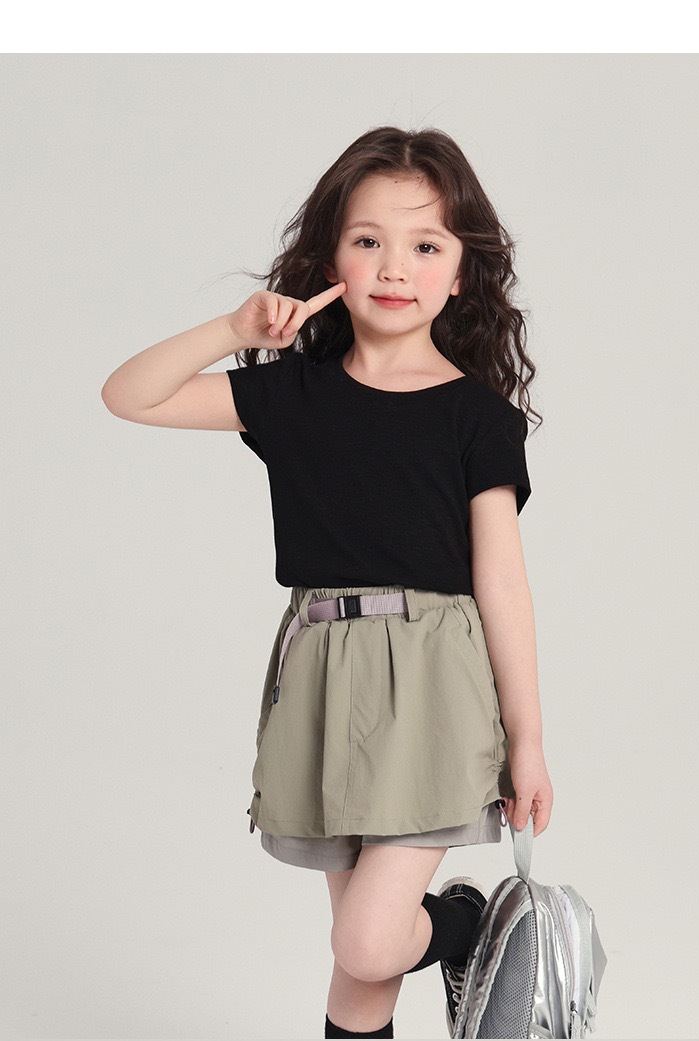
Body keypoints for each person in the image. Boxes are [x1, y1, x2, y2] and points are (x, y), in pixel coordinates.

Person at [101, 126, 554, 1040]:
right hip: (320, 673)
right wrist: (235, 332)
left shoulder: (476, 417)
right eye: (368, 240)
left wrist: (529, 738)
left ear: (461, 274)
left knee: (371, 937)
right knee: (359, 970)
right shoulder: (293, 395)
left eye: (426, 246)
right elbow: (129, 394)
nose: (395, 268)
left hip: (433, 681)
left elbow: (502, 584)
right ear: (331, 258)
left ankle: (464, 926)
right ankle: (452, 937)